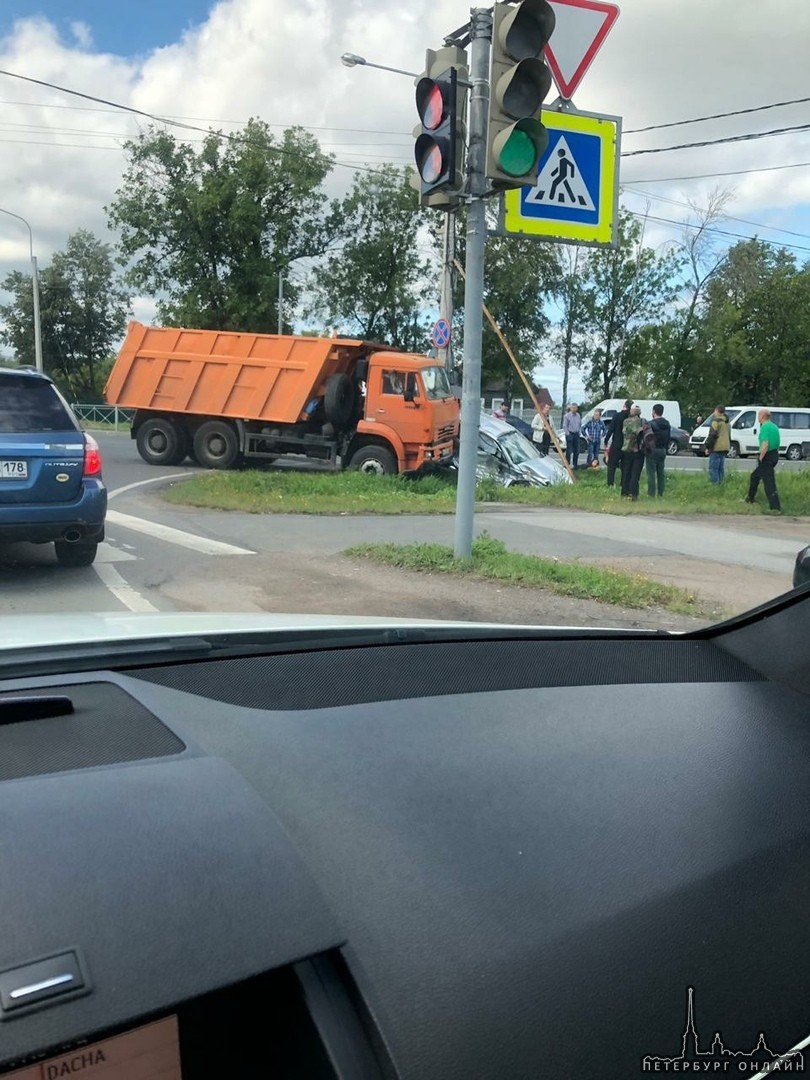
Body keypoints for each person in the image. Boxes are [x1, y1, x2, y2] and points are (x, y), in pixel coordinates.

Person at [745, 409, 782, 512]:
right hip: (774, 454)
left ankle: (775, 507)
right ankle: (750, 498)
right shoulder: (774, 426)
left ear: (762, 416)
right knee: (755, 476)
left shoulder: (765, 427)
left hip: (767, 456)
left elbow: (765, 443)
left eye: (758, 415)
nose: (758, 418)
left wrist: (761, 457)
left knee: (769, 482)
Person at [605, 399, 633, 487]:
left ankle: (610, 483)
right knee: (625, 466)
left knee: (612, 465)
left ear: (624, 406)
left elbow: (611, 429)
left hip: (616, 443)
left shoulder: (617, 416)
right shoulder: (631, 417)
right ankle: (623, 484)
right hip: (627, 444)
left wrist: (606, 439)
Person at [645, 403, 671, 497]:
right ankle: (661, 493)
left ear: (654, 411)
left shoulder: (650, 424)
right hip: (662, 450)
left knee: (651, 473)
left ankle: (651, 494)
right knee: (661, 473)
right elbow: (669, 437)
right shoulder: (667, 424)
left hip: (652, 450)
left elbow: (647, 438)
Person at [620, 405, 644, 500]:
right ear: (640, 412)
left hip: (626, 449)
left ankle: (624, 493)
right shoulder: (642, 422)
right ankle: (634, 494)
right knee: (635, 474)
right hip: (638, 450)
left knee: (626, 472)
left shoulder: (625, 421)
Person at [703, 405, 730, 484]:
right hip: (725, 447)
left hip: (717, 447)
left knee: (713, 468)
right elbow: (729, 435)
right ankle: (721, 485)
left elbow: (712, 435)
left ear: (717, 411)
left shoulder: (716, 422)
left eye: (715, 411)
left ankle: (715, 486)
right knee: (720, 468)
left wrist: (708, 447)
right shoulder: (727, 423)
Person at [562, 403, 582, 468]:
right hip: (570, 434)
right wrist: (568, 434)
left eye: (575, 408)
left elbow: (580, 425)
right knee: (569, 450)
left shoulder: (578, 415)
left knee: (577, 450)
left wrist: (579, 432)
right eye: (572, 408)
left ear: (577, 408)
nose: (574, 409)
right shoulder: (567, 416)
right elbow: (565, 426)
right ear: (570, 408)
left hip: (576, 434)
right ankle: (567, 465)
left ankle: (575, 465)